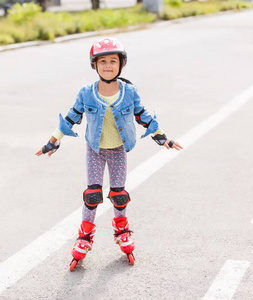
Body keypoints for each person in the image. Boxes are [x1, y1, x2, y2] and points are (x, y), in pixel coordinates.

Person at [36, 37, 182, 269]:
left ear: (121, 64)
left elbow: (144, 116)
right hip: (95, 150)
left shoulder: (129, 92)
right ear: (94, 65)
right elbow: (71, 118)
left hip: (118, 150)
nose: (107, 65)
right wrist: (52, 142)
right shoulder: (86, 93)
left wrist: (163, 138)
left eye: (113, 61)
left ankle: (122, 232)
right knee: (92, 194)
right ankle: (84, 237)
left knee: (118, 194)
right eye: (102, 61)